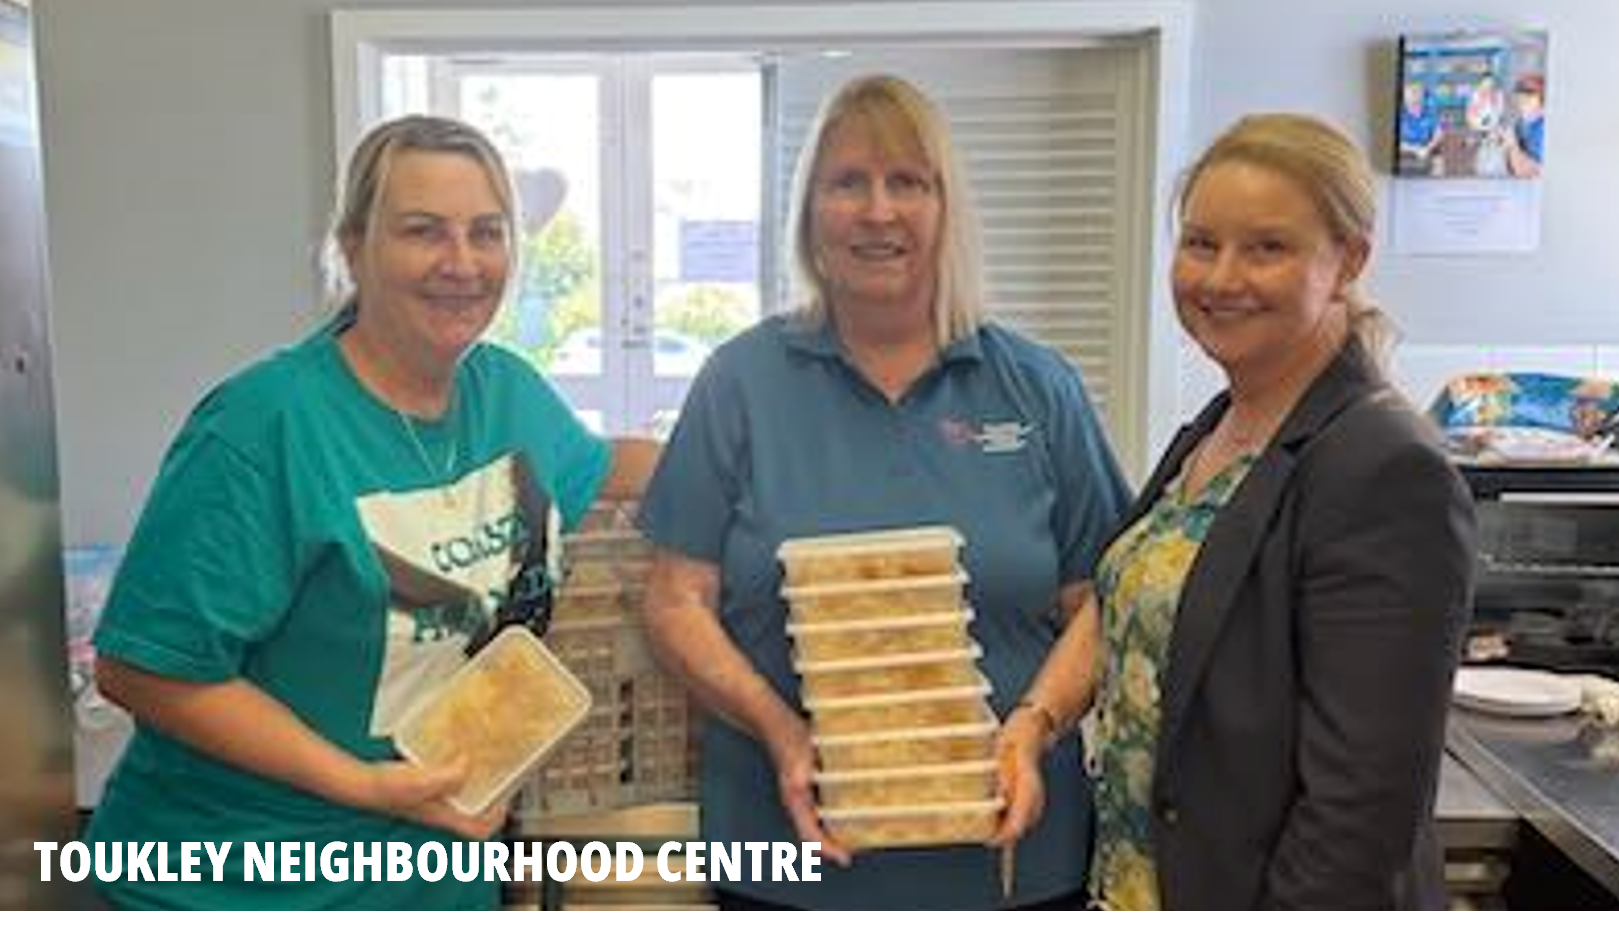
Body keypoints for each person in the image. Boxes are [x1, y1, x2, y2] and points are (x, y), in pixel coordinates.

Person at [84, 114, 660, 910]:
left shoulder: (507, 393)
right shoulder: (264, 425)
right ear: (353, 247)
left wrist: (763, 451)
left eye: (485, 233)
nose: (461, 263)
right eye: (423, 231)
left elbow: (609, 467)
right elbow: (142, 667)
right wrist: (363, 785)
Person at [636, 74, 1131, 910]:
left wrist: (1034, 722)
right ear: (808, 212)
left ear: (947, 208)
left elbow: (1100, 598)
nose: (877, 211)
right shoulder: (741, 382)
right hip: (786, 854)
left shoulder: (1036, 388)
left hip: (1008, 867)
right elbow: (674, 599)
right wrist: (779, 728)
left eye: (908, 182)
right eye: (847, 182)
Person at [997, 113, 1476, 910]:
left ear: (1348, 260)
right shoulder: (1217, 428)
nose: (1220, 278)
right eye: (1199, 243)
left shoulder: (1385, 469)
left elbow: (1359, 816)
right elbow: (1130, 594)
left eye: (1266, 247)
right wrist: (1035, 720)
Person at [1396, 81, 1443, 176]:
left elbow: (1438, 134)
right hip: (1406, 151)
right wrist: (1415, 149)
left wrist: (1428, 148)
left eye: (1417, 94)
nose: (1414, 98)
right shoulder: (1400, 113)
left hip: (1426, 148)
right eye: (1410, 95)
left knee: (1438, 159)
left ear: (1422, 97)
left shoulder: (1430, 110)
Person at [1506, 73, 1546, 179]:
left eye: (1529, 97)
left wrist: (1512, 144)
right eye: (1520, 98)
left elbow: (1528, 171)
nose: (1523, 102)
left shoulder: (1544, 128)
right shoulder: (1520, 125)